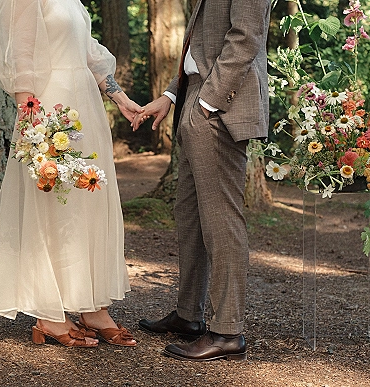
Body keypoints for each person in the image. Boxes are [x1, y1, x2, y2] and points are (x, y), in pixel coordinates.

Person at [0, 0, 142, 348]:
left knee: (88, 203)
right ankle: (49, 315)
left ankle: (93, 308)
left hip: (85, 105)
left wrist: (120, 98)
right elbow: (20, 55)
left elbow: (88, 52)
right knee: (55, 206)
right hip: (49, 106)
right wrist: (31, 121)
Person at [133, 0, 271, 361]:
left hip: (221, 104)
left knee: (221, 221)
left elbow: (245, 37)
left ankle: (227, 331)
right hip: (196, 95)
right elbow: (201, 44)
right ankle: (188, 315)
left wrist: (208, 103)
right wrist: (172, 94)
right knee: (190, 216)